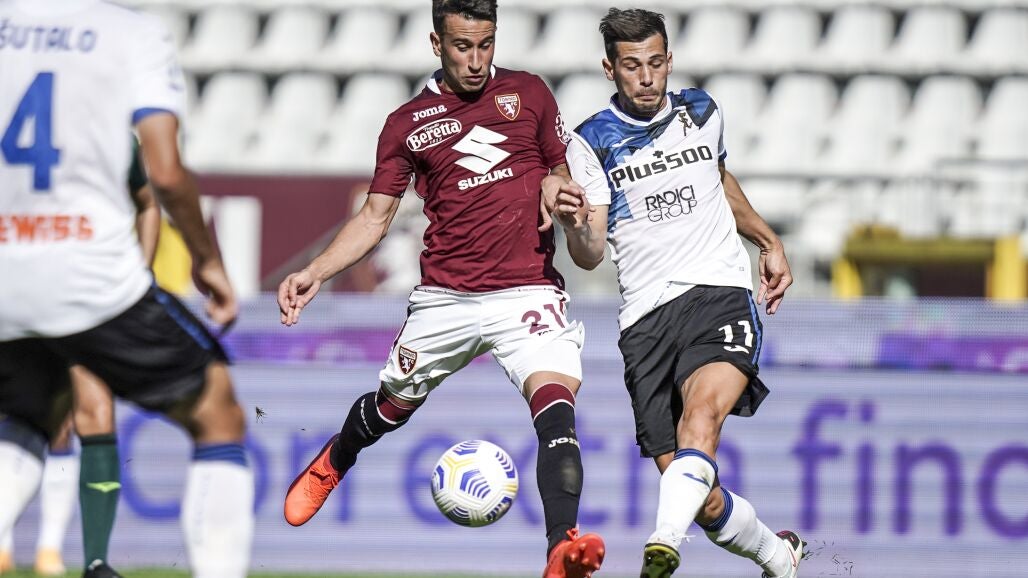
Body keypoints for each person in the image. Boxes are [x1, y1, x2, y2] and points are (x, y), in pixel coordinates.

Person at [278, 2, 604, 577]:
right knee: (391, 406)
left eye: (485, 44)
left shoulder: (529, 94)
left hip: (527, 291)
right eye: (462, 46)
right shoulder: (407, 123)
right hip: (445, 299)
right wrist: (317, 271)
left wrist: (557, 188)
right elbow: (375, 217)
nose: (476, 60)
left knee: (556, 407)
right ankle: (338, 456)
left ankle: (562, 547)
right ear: (436, 43)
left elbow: (559, 168)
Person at [0, 2, 254, 578]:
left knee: (31, 410)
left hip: (7, 274)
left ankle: (81, 556)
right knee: (216, 411)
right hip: (85, 274)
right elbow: (165, 173)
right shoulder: (131, 32)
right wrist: (206, 259)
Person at [552, 8, 803, 578]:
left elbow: (717, 178)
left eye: (656, 63)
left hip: (718, 292)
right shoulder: (592, 141)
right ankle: (777, 555)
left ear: (670, 60)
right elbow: (590, 253)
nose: (647, 78)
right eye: (632, 66)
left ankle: (662, 544)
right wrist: (573, 224)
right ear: (610, 69)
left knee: (701, 418)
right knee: (699, 495)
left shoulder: (702, 111)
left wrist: (767, 240)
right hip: (645, 319)